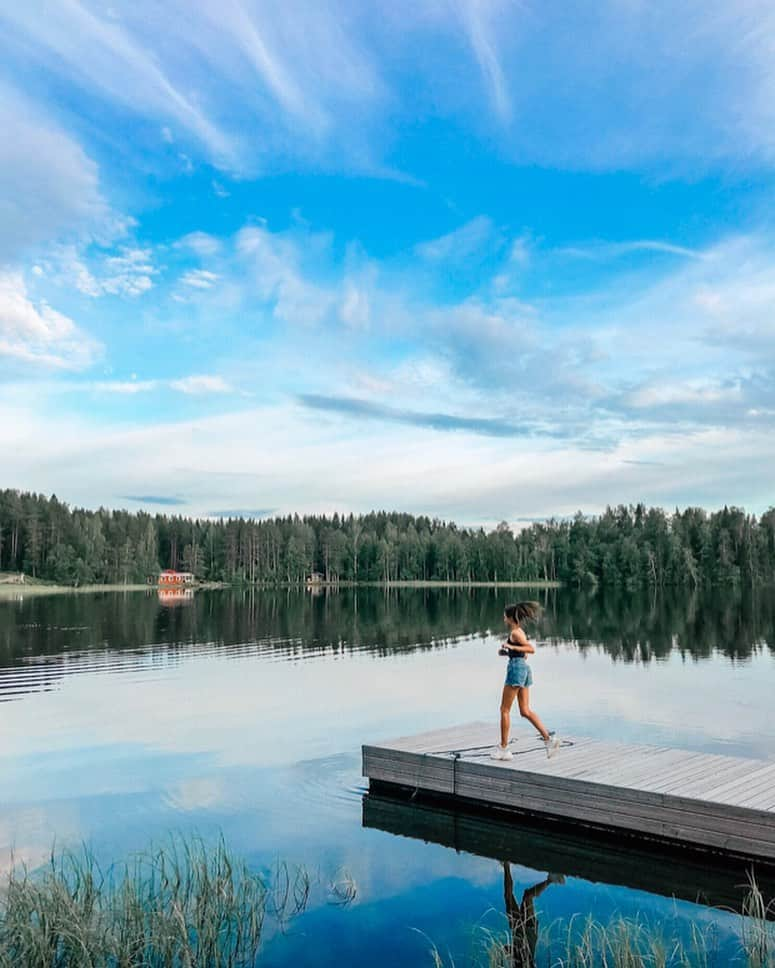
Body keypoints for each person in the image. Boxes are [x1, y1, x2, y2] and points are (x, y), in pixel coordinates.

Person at [491, 601, 559, 760]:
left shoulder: (515, 633)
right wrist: (508, 653)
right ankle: (549, 740)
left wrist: (512, 647)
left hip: (517, 670)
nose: (503, 618)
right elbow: (524, 654)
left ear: (509, 617)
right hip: (523, 668)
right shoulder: (518, 632)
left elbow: (530, 649)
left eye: (504, 616)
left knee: (504, 710)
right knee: (525, 711)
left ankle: (503, 749)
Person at [501, 861, 565, 967]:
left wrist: (509, 950)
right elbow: (512, 950)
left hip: (525, 931)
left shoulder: (522, 964)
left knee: (524, 896)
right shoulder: (523, 964)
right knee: (516, 896)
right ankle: (506, 865)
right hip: (524, 931)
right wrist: (508, 950)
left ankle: (506, 865)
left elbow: (514, 951)